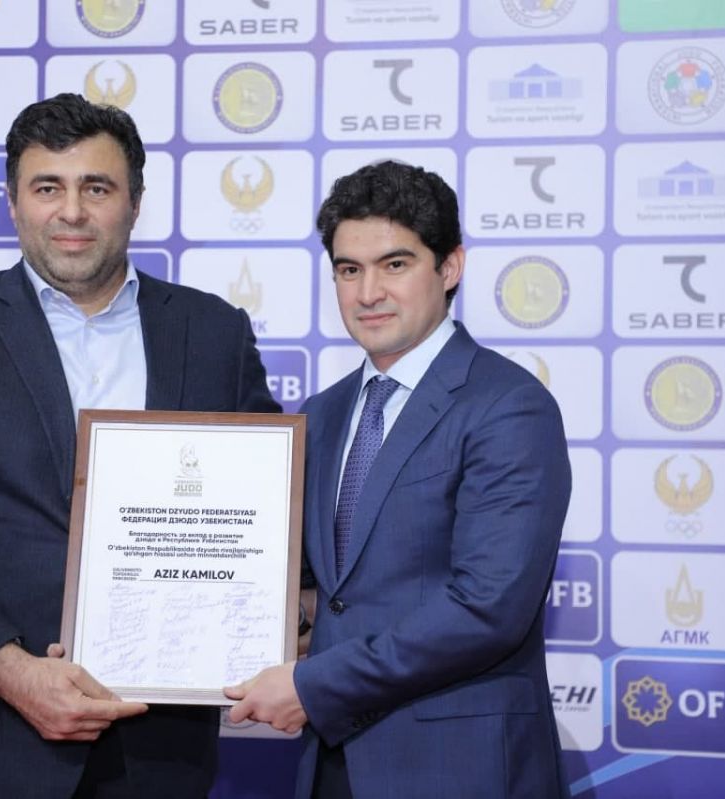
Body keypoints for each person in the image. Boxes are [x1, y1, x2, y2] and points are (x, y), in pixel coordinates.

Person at [0, 94, 279, 799]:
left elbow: (263, 509)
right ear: (13, 203)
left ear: (135, 202)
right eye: (47, 187)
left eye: (97, 188)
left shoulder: (214, 331)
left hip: (157, 753)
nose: (72, 211)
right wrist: (9, 668)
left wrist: (286, 613)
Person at [226, 161, 572, 798]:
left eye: (394, 264)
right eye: (348, 270)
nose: (368, 293)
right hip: (333, 764)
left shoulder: (508, 406)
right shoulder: (322, 415)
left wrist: (313, 686)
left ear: (450, 267)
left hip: (457, 768)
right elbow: (321, 589)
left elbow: (487, 608)